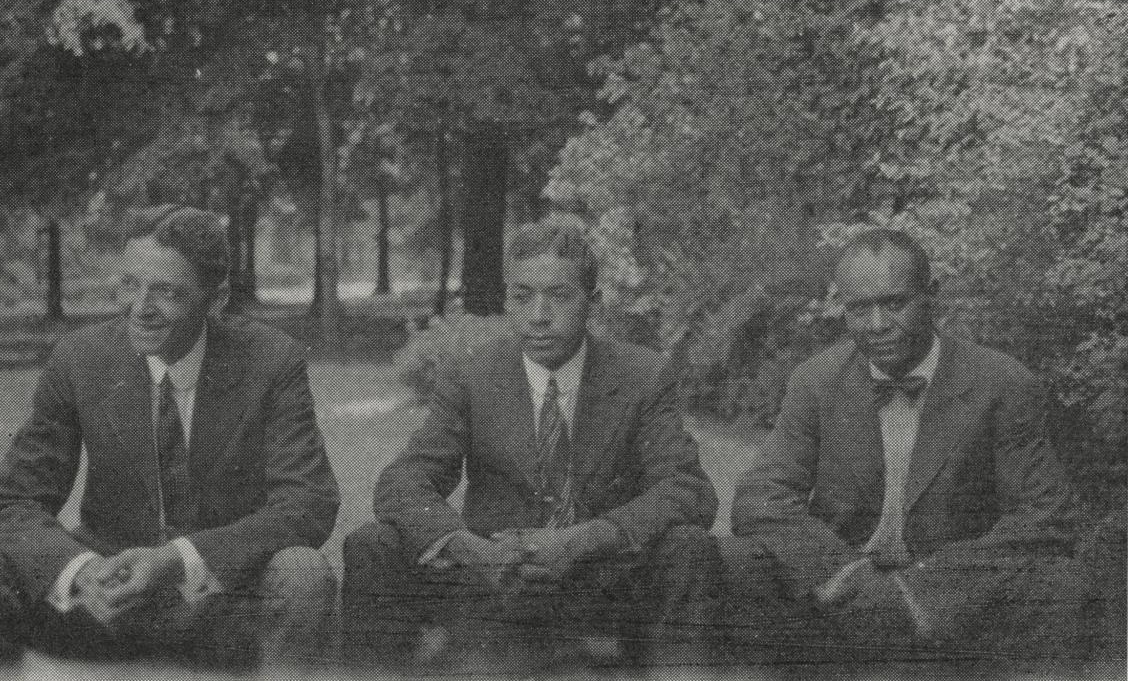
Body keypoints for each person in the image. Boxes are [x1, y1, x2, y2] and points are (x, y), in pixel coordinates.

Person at [0, 205, 339, 673]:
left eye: (166, 292)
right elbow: (10, 502)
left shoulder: (271, 361)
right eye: (129, 285)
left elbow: (308, 501)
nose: (139, 308)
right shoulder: (80, 359)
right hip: (103, 600)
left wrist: (178, 560)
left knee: (303, 573)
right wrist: (81, 572)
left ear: (217, 299)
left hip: (220, 605)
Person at [341, 218, 719, 673]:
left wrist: (586, 539)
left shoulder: (641, 374)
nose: (538, 315)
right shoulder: (472, 373)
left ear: (591, 302)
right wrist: (465, 546)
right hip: (495, 576)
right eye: (522, 297)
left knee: (689, 546)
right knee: (372, 543)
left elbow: (686, 489)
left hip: (602, 578)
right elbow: (405, 481)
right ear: (507, 301)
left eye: (558, 296)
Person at [721, 228, 1090, 666]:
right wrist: (843, 572)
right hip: (844, 589)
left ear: (931, 296)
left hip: (949, 597)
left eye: (895, 304)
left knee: (1065, 583)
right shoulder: (816, 380)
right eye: (859, 309)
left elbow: (1046, 515)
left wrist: (928, 588)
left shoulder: (1003, 383)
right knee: (730, 561)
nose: (877, 326)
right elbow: (761, 496)